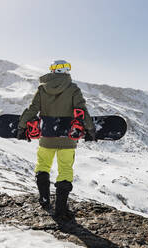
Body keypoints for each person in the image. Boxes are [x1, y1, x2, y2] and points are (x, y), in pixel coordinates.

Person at [17, 60, 96, 219]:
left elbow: (32, 109)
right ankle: (61, 209)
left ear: (52, 70)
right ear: (67, 71)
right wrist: (91, 129)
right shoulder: (73, 89)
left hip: (46, 137)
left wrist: (21, 126)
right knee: (65, 169)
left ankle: (44, 199)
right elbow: (81, 110)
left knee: (43, 166)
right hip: (67, 139)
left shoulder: (42, 89)